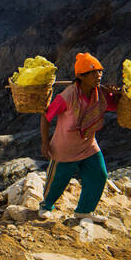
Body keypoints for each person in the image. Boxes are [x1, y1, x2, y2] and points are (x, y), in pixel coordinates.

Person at [38, 52, 121, 221]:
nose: (98, 76)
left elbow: (113, 106)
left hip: (88, 145)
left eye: (99, 71)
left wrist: (118, 95)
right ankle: (46, 206)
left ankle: (84, 210)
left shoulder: (101, 94)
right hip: (65, 148)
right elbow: (46, 116)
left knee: (99, 175)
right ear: (81, 76)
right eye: (93, 72)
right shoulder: (67, 96)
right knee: (58, 181)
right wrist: (45, 143)